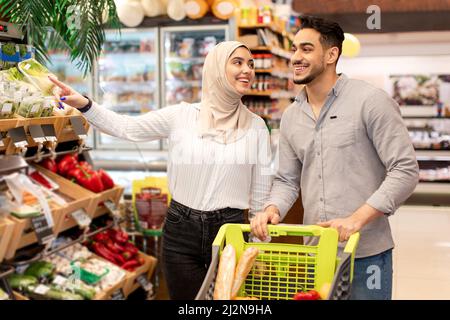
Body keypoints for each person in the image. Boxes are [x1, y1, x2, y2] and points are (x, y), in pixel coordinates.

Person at [49, 41, 273, 300]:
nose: (247, 70)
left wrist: (258, 249)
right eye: (238, 62)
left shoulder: (256, 127)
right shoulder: (182, 115)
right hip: (181, 230)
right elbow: (128, 128)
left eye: (251, 64)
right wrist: (85, 105)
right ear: (216, 69)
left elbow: (260, 194)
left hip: (231, 230)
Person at [250, 16, 419, 300]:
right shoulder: (292, 116)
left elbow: (405, 170)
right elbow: (287, 179)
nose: (295, 57)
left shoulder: (370, 101)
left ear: (331, 54)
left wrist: (356, 219)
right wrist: (273, 208)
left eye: (305, 49)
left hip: (366, 253)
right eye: (294, 49)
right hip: (317, 252)